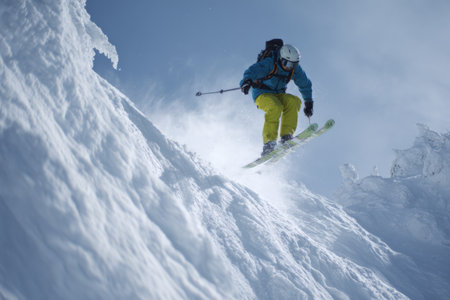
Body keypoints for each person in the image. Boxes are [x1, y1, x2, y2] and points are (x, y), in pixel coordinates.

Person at [240, 42, 314, 156]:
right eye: (286, 63)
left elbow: (305, 84)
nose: (289, 67)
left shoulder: (295, 69)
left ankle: (286, 136)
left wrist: (308, 101)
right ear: (281, 58)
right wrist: (246, 82)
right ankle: (269, 143)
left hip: (278, 94)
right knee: (275, 107)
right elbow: (252, 71)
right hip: (262, 94)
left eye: (292, 64)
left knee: (293, 101)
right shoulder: (270, 63)